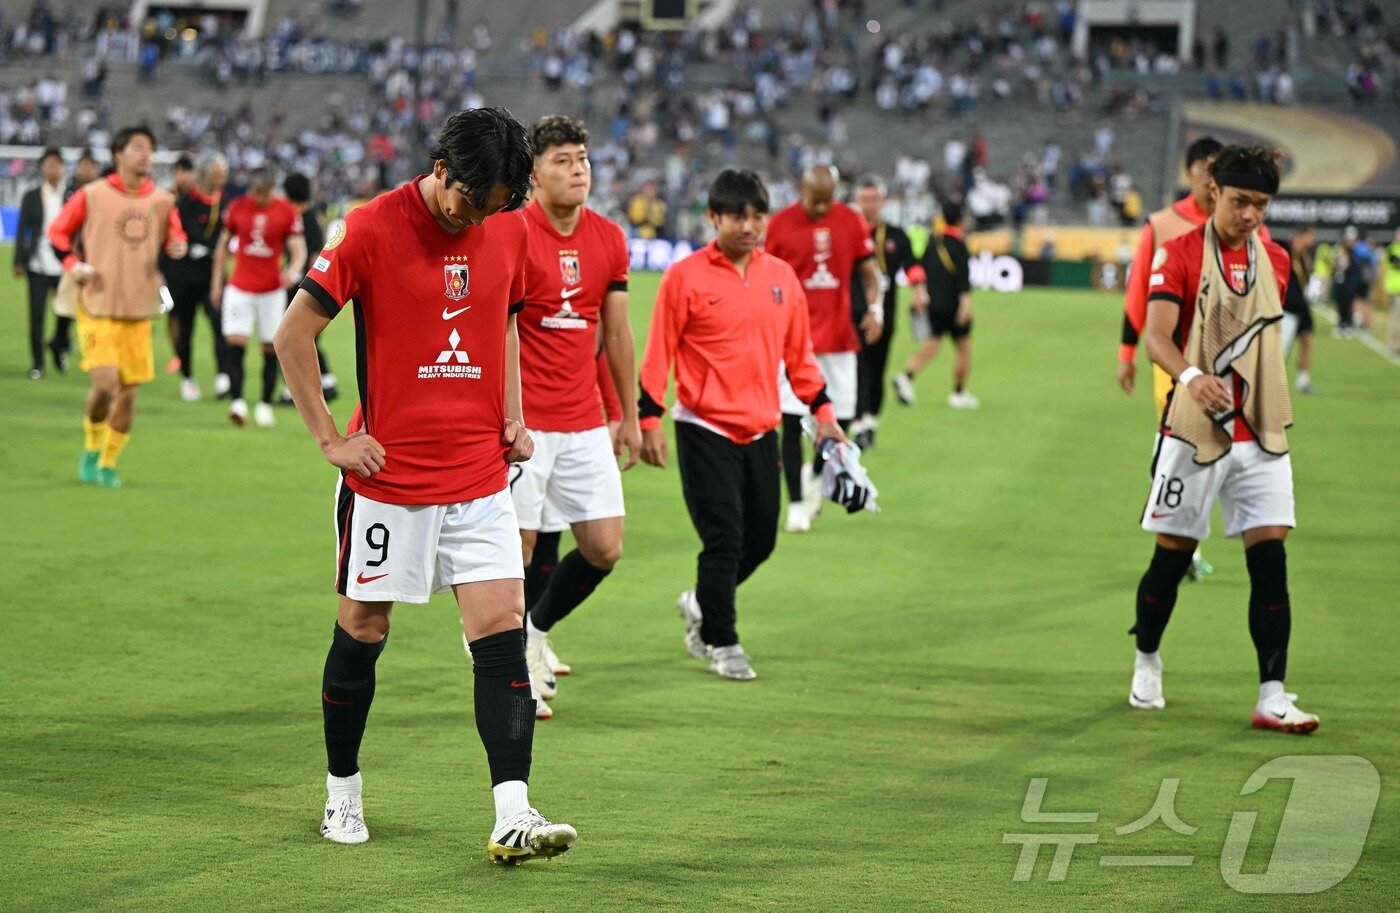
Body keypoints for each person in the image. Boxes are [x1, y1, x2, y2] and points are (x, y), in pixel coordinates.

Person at [273, 107, 576, 863]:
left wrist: (512, 414)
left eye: (496, 204)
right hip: (388, 481)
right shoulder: (370, 228)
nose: (479, 217)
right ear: (442, 169)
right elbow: (293, 333)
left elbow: (504, 315)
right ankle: (342, 795)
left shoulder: (508, 226)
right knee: (363, 631)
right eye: (472, 202)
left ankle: (513, 811)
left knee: (501, 633)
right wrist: (331, 440)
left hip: (478, 474)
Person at [1130, 144, 1317, 734]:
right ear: (1214, 192)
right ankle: (1147, 659)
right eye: (1241, 202)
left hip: (1258, 431)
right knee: (1171, 559)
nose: (1251, 216)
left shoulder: (1278, 262)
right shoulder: (1177, 254)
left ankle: (1272, 695)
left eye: (1261, 205)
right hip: (1193, 431)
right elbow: (1156, 335)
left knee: (1271, 560)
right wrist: (1190, 377)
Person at [638, 169, 845, 680]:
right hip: (703, 427)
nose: (749, 226)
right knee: (724, 538)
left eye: (757, 217)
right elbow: (658, 352)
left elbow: (801, 359)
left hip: (761, 428)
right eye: (738, 217)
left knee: (762, 542)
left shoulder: (781, 278)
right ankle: (723, 644)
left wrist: (825, 416)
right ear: (714, 218)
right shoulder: (684, 277)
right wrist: (649, 420)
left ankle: (702, 602)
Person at [509, 115, 639, 715]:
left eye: (582, 157)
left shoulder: (609, 238)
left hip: (585, 420)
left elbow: (615, 332)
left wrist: (628, 416)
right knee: (522, 547)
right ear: (533, 173)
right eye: (562, 159)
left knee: (605, 548)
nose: (577, 168)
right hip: (527, 422)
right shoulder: (511, 233)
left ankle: (534, 628)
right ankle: (513, 666)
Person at [49, 125, 188, 489]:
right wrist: (72, 265)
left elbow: (176, 237)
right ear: (119, 153)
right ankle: (92, 449)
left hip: (139, 310)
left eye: (151, 148)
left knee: (128, 393)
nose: (147, 155)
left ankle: (109, 462)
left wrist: (178, 247)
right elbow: (58, 234)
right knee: (107, 385)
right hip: (98, 305)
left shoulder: (161, 201)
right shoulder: (91, 195)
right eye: (139, 147)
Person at [1115, 136, 1225, 582]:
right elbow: (1138, 289)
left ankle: (1181, 542)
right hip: (1175, 361)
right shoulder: (1162, 225)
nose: (1214, 179)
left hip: (1226, 361)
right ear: (1192, 170)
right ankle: (1182, 548)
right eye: (1208, 168)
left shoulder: (1240, 223)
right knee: (1186, 443)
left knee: (1212, 451)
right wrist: (1126, 353)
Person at [763, 164, 879, 534]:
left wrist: (875, 308)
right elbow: (763, 277)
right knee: (792, 420)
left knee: (840, 419)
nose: (821, 207)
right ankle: (796, 504)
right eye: (815, 200)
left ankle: (813, 476)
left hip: (840, 337)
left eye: (827, 200)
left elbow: (869, 272)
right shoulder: (780, 225)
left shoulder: (849, 221)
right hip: (793, 341)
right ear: (802, 190)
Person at [211, 166, 306, 428]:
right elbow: (222, 245)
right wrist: (217, 282)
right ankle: (238, 401)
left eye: (263, 193)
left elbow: (298, 248)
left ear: (271, 190)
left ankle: (265, 404)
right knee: (235, 343)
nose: (259, 197)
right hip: (239, 287)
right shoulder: (238, 207)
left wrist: (293, 269)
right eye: (255, 192)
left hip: (271, 291)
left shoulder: (286, 212)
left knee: (269, 348)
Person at [850, 174, 927, 450]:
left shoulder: (895, 235)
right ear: (856, 201)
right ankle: (857, 423)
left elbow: (913, 265)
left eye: (873, 199)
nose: (868, 204)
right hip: (853, 310)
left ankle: (870, 422)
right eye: (863, 199)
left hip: (886, 310)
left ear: (882, 201)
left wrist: (919, 291)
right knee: (857, 369)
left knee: (877, 367)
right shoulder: (848, 232)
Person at [891, 201, 978, 409]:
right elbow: (964, 282)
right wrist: (965, 307)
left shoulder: (933, 241)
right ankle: (958, 393)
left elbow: (922, 270)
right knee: (963, 350)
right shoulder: (959, 245)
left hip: (933, 304)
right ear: (960, 220)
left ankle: (906, 376)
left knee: (932, 345)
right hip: (954, 305)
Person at [164, 152, 229, 402]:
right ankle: (188, 377)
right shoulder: (186, 202)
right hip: (184, 277)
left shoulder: (225, 202)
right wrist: (209, 246)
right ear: (205, 173)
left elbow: (225, 235)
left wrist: (209, 248)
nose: (221, 177)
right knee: (186, 328)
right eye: (217, 172)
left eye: (223, 172)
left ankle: (223, 375)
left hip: (213, 275)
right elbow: (188, 234)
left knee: (219, 324)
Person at [280, 171, 339, 404]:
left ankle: (292, 390)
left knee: (291, 336)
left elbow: (315, 256)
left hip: (302, 287)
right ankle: (327, 380)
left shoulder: (304, 221)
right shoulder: (310, 219)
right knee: (304, 337)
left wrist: (301, 281)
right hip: (304, 285)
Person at [13, 147, 70, 379]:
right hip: (37, 264)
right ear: (42, 168)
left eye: (57, 164)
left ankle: (58, 343)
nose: (53, 169)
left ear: (63, 168)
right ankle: (38, 363)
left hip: (64, 264)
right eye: (49, 164)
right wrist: (19, 260)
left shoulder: (71, 196)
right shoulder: (32, 196)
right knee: (36, 315)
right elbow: (22, 230)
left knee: (66, 313)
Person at [162, 154, 197, 374]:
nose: (183, 177)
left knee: (188, 316)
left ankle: (182, 355)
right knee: (172, 312)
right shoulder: (165, 197)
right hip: (169, 266)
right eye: (180, 172)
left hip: (193, 267)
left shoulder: (197, 199)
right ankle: (178, 354)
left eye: (187, 171)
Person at [1282, 226, 1317, 394]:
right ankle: (1271, 382)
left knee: (1306, 341)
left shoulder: (1305, 257)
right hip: (1287, 307)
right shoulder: (1286, 251)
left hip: (1302, 307)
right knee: (1281, 349)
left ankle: (1303, 381)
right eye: (1311, 236)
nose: (1313, 240)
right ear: (1301, 235)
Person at [1386, 227, 1400, 356]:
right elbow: (1397, 262)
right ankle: (1394, 346)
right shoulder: (1392, 249)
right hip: (1395, 289)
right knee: (1396, 318)